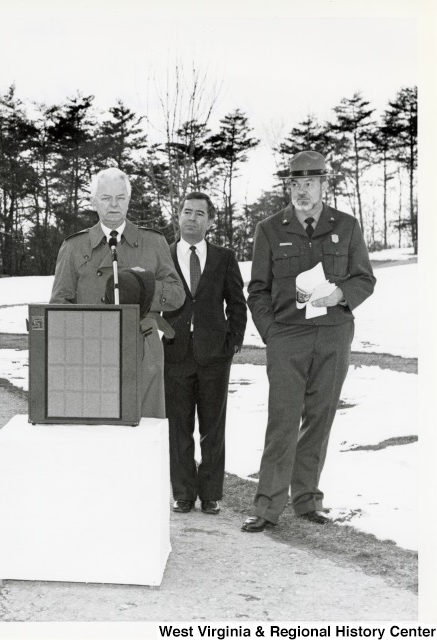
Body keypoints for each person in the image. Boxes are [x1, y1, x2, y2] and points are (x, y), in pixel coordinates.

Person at [241, 151, 376, 533]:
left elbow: (365, 279)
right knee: (282, 420)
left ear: (323, 185)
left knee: (320, 419)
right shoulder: (270, 228)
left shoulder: (346, 226)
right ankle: (267, 507)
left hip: (333, 335)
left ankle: (307, 501)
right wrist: (272, 334)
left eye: (310, 183)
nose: (303, 191)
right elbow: (258, 290)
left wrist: (340, 295)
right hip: (288, 337)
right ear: (289, 186)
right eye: (296, 184)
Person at [49, 167, 185, 418]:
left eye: (120, 197)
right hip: (91, 351)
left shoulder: (154, 242)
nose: (114, 205)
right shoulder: (74, 247)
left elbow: (177, 294)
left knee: (144, 430)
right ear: (93, 201)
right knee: (97, 431)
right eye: (106, 198)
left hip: (143, 349)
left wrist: (142, 290)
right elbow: (59, 304)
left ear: (129, 200)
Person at [162, 193, 247, 515]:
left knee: (213, 428)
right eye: (187, 211)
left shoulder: (224, 258)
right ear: (178, 216)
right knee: (179, 428)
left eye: (199, 214)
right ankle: (183, 493)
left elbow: (237, 303)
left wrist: (233, 343)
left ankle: (210, 494)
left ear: (210, 221)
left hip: (214, 356)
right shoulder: (164, 256)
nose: (192, 218)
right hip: (175, 353)